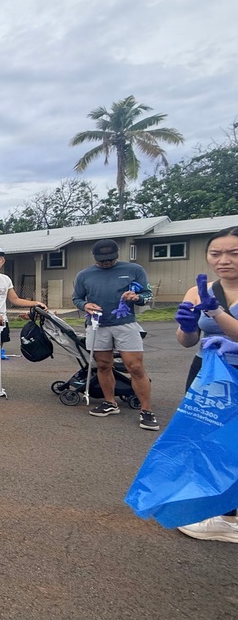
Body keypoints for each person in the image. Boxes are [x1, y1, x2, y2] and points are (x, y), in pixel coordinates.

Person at [173, 226, 238, 542]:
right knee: (206, 437)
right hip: (208, 371)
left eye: (234, 253)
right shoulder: (197, 290)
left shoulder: (210, 298)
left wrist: (216, 312)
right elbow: (187, 341)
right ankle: (218, 510)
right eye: (216, 253)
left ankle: (229, 516)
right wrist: (187, 327)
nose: (224, 260)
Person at [72, 238, 158, 430]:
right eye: (103, 260)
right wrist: (85, 305)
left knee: (135, 367)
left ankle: (146, 411)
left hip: (125, 324)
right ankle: (110, 403)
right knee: (103, 365)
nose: (107, 263)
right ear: (95, 257)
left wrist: (137, 297)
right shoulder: (84, 275)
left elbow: (147, 295)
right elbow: (76, 298)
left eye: (110, 259)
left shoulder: (134, 270)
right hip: (97, 325)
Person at [0, 247, 47, 398]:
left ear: (3, 261)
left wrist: (35, 303)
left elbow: (15, 299)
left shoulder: (5, 279)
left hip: (2, 321)